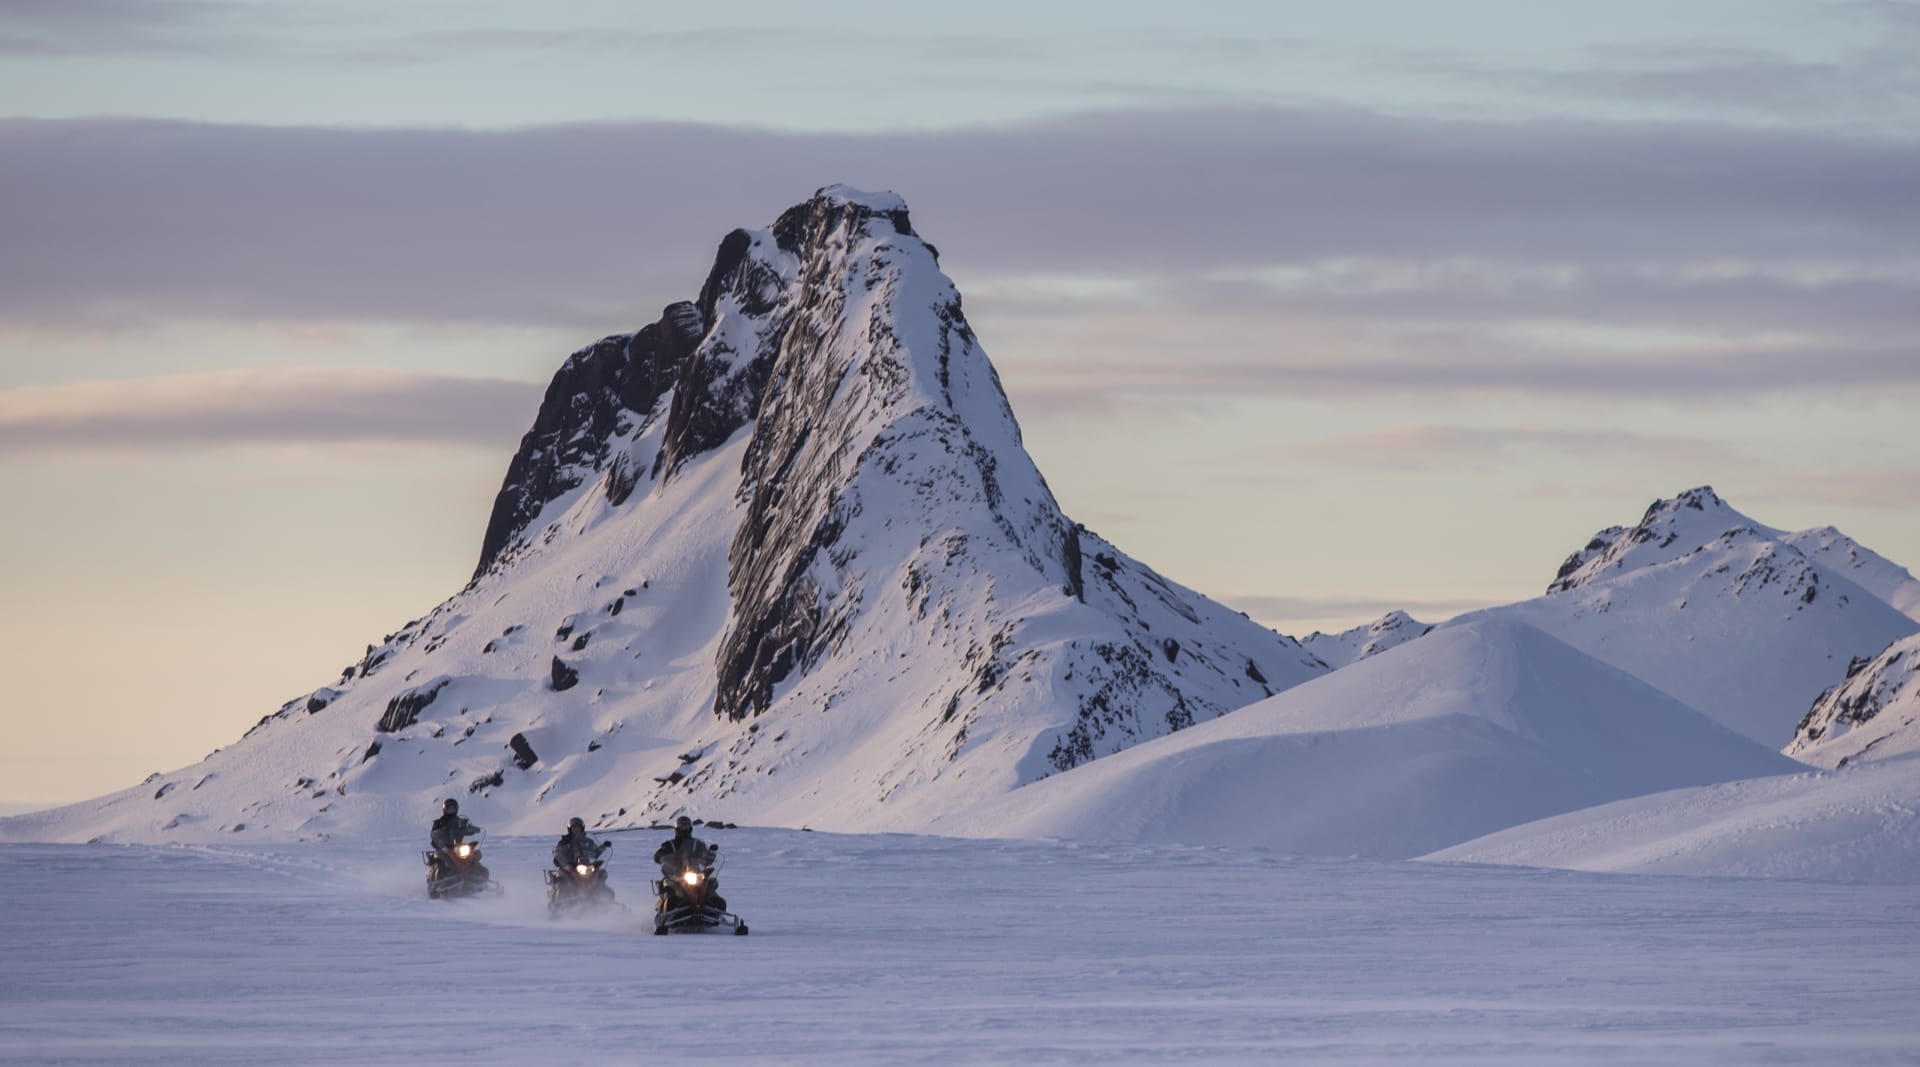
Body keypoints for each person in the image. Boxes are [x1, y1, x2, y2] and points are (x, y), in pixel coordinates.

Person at [653, 815, 724, 912]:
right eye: (682, 826)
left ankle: (715, 910)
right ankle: (664, 912)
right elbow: (659, 854)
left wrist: (710, 855)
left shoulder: (697, 844)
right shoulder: (670, 844)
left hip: (696, 872)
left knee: (711, 885)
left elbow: (705, 853)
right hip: (676, 874)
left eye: (686, 826)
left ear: (690, 827)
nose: (684, 829)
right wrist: (661, 856)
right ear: (677, 828)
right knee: (668, 886)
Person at [428, 798, 489, 887]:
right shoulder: (439, 823)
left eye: (453, 808)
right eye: (449, 808)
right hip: (445, 848)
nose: (451, 810)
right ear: (445, 809)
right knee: (440, 859)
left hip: (458, 847)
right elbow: (434, 834)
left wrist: (473, 829)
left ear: (456, 809)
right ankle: (438, 881)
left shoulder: (460, 822)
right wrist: (441, 842)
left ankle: (478, 878)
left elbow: (467, 828)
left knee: (474, 856)